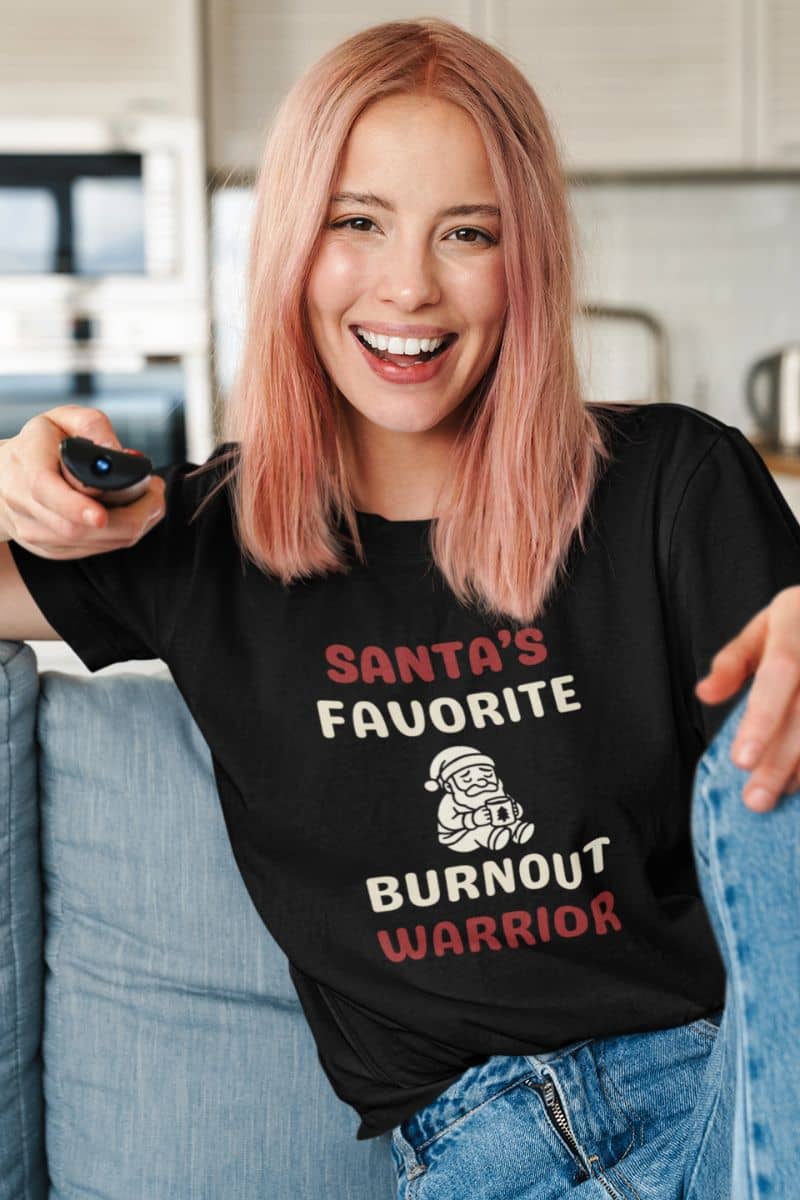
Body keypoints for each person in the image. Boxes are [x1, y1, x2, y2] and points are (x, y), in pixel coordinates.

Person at [1, 17, 799, 1200]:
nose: (409, 286)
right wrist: (11, 474)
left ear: (524, 260)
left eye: (466, 232)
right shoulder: (203, 541)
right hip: (487, 1156)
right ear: (292, 241)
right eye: (356, 221)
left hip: (738, 1101)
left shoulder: (672, 484)